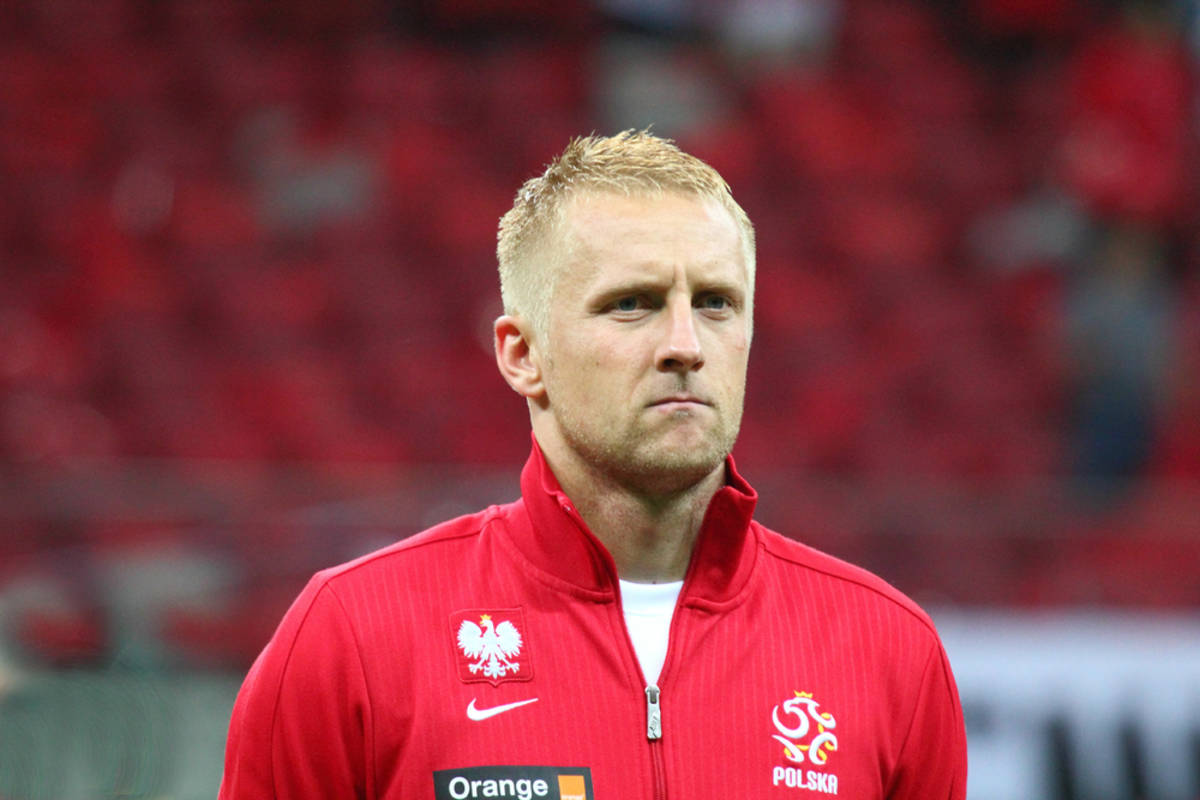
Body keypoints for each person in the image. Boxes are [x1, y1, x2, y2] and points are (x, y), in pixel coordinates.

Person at [219, 130, 967, 799]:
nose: (685, 345)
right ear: (522, 354)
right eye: (633, 304)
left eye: (716, 303)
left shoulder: (888, 650)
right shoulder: (354, 637)